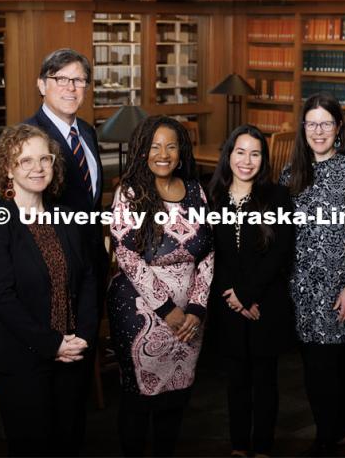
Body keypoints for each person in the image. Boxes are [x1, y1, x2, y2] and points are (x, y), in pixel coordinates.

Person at [0, 124, 97, 456]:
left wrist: (83, 334)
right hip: (20, 355)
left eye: (45, 159)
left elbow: (87, 279)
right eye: (25, 160)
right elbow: (1, 299)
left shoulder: (68, 217)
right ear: (8, 168)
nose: (38, 168)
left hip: (72, 351)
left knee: (70, 441)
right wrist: (52, 343)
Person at [107, 115, 214, 457]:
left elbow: (209, 253)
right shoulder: (130, 194)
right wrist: (168, 311)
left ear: (181, 153)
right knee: (139, 399)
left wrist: (196, 309)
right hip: (140, 314)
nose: (163, 154)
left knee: (176, 396)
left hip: (191, 319)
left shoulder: (197, 191)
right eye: (154, 146)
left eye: (170, 146)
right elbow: (127, 256)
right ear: (142, 152)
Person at [279, 93, 345, 455]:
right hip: (304, 289)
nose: (318, 131)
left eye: (326, 123)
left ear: (338, 129)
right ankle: (326, 433)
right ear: (303, 128)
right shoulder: (291, 175)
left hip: (343, 285)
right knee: (316, 368)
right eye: (311, 123)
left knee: (344, 365)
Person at [208, 124, 294, 457]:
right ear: (229, 155)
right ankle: (239, 446)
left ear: (264, 159)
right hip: (228, 301)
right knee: (236, 381)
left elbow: (281, 253)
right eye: (240, 152)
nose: (247, 160)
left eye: (255, 153)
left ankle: (262, 446)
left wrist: (249, 294)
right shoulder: (212, 197)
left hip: (265, 302)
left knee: (265, 379)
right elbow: (211, 253)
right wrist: (233, 295)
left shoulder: (278, 197)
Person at [25, 48, 108, 303]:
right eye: (61, 79)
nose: (70, 87)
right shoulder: (27, 137)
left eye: (79, 80)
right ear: (42, 85)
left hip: (93, 260)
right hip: (52, 265)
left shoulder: (86, 131)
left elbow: (89, 198)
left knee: (90, 336)